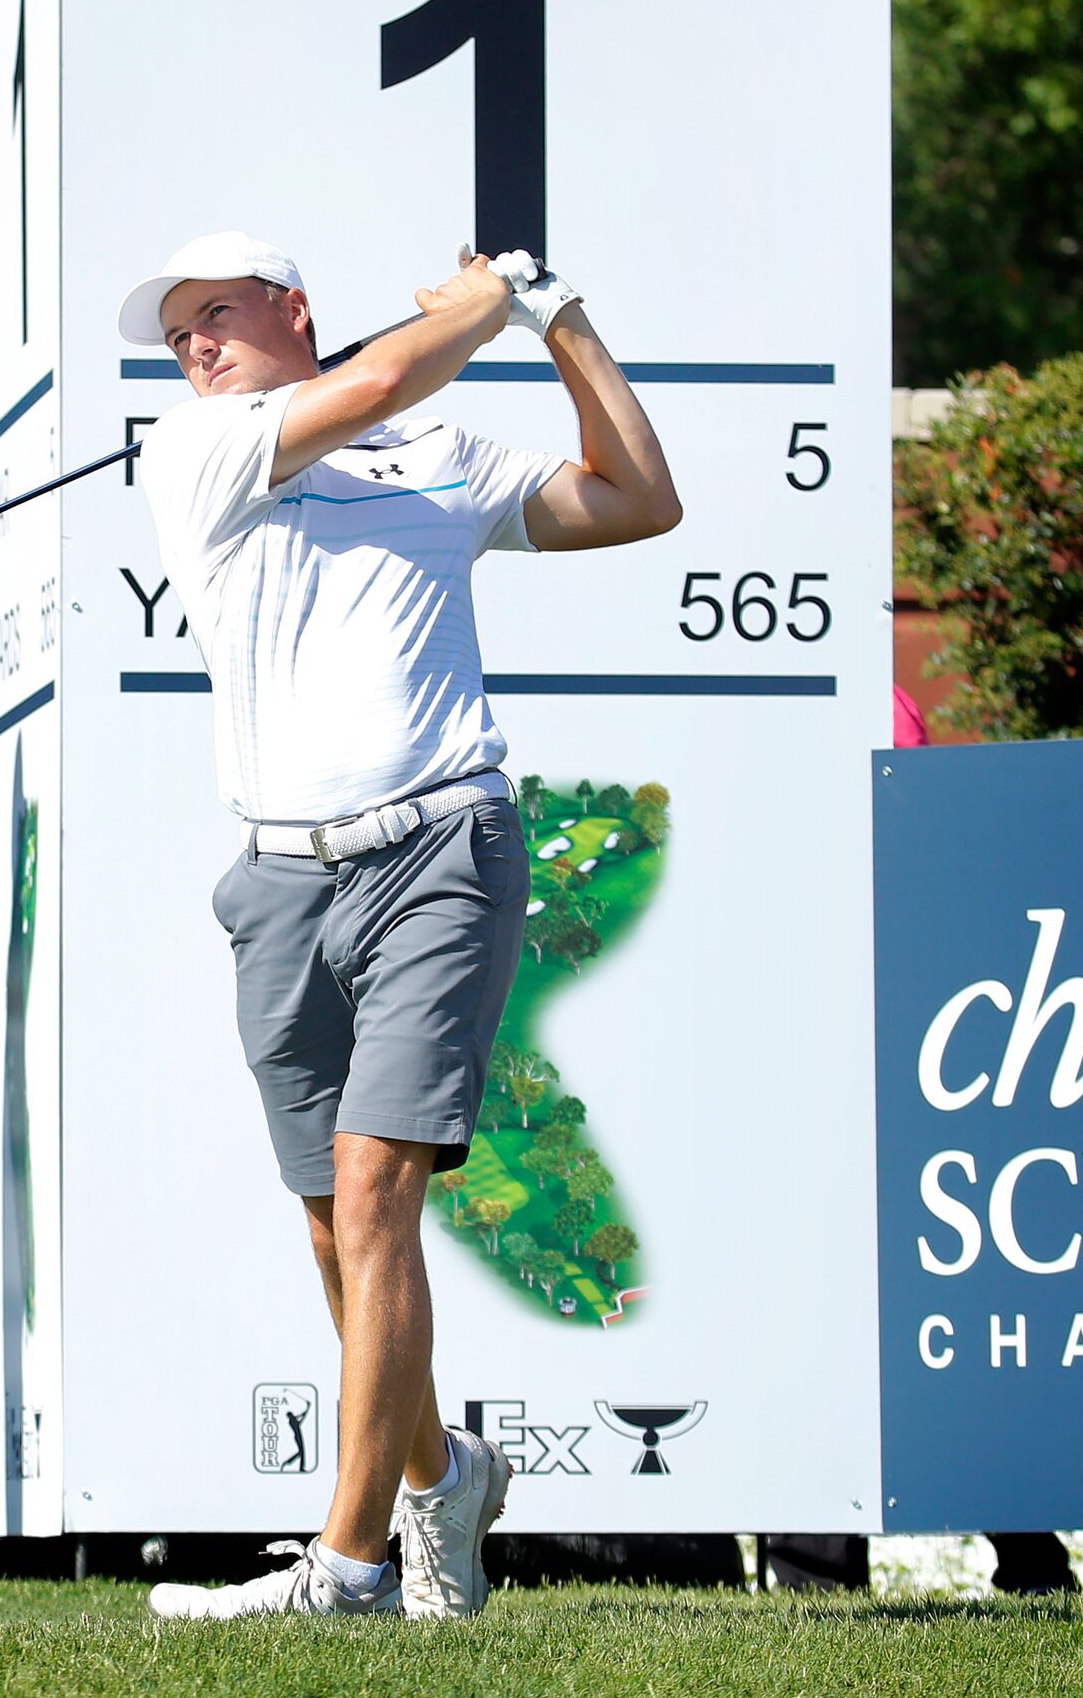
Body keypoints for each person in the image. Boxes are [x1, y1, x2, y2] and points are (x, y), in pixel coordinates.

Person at [124, 234, 682, 1621]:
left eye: (215, 313)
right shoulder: (196, 450)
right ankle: (445, 1475)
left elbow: (638, 498)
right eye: (176, 328)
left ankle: (349, 1562)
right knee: (332, 1228)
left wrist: (559, 322)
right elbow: (372, 384)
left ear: (288, 310)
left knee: (376, 1190)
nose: (193, 342)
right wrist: (480, 303)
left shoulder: (444, 453)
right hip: (276, 883)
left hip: (440, 841)